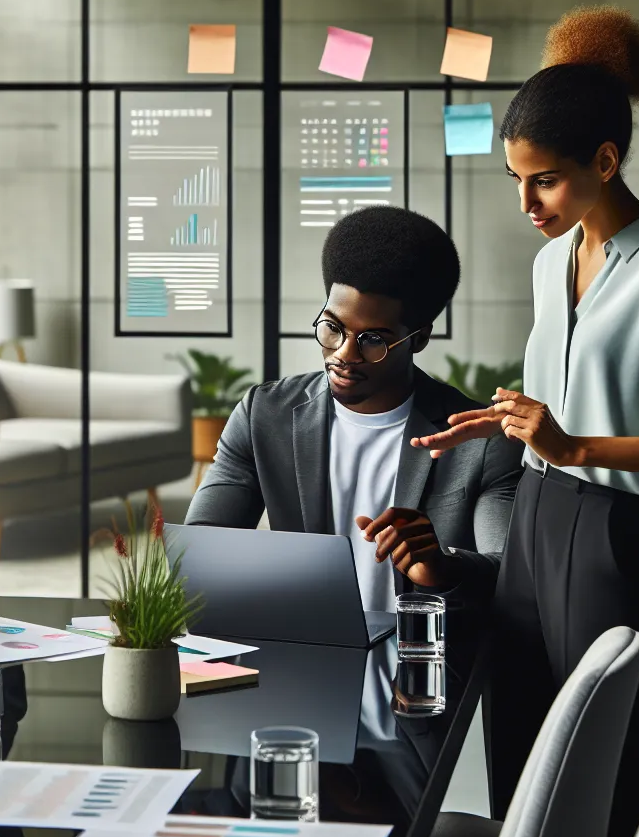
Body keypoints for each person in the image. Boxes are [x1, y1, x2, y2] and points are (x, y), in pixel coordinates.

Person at [413, 6, 639, 837]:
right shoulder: (550, 263)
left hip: (610, 536)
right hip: (534, 516)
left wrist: (571, 440)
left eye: (545, 182)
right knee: (517, 731)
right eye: (517, 181)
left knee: (597, 751)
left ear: (605, 161)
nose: (527, 205)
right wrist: (513, 420)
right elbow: (558, 405)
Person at [185, 206, 522, 611]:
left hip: (425, 662)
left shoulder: (479, 440)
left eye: (373, 340)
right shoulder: (264, 415)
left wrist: (441, 566)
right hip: (306, 653)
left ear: (418, 339)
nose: (344, 354)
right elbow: (201, 549)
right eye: (333, 327)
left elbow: (509, 577)